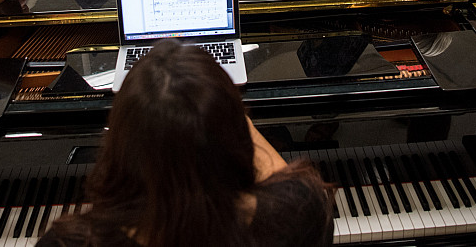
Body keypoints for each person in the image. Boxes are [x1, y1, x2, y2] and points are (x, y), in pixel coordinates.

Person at [36, 39, 333, 247]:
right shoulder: (301, 213)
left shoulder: (67, 242)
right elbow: (292, 187)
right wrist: (227, 112)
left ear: (121, 145)